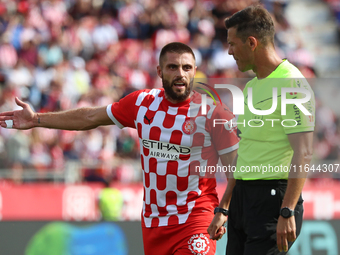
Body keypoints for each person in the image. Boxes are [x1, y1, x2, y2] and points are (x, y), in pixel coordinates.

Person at [0, 42, 239, 255]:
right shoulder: (142, 104)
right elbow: (90, 117)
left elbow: (235, 168)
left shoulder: (213, 113)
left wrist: (224, 210)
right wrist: (37, 120)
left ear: (195, 71)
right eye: (172, 67)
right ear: (159, 72)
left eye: (187, 68)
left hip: (196, 218)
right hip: (154, 223)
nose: (180, 74)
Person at [207, 4, 315, 255]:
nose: (230, 51)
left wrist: (287, 210)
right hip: (242, 201)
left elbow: (304, 152)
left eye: (232, 44)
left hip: (273, 199)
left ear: (252, 42)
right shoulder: (252, 86)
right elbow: (245, 153)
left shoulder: (292, 83)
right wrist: (225, 207)